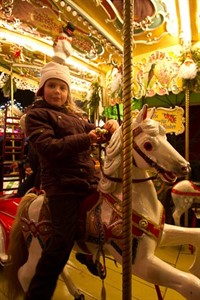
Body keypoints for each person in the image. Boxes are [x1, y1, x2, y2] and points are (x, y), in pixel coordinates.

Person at [24, 61, 118, 300]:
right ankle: (37, 294)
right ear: (42, 89)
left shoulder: (75, 116)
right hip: (62, 186)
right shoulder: (36, 116)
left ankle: (86, 253)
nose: (57, 91)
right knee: (61, 241)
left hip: (88, 181)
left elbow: (97, 133)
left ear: (68, 92)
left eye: (62, 87)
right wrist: (87, 139)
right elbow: (49, 148)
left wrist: (111, 128)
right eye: (52, 86)